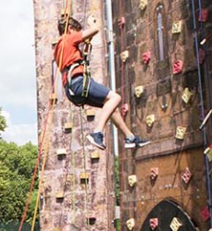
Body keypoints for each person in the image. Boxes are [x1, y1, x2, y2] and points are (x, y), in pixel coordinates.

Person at [54, 13, 149, 151]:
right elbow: (95, 30)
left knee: (111, 106)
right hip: (78, 82)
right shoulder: (67, 39)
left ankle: (130, 137)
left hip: (72, 90)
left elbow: (83, 46)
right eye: (77, 31)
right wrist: (91, 23)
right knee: (115, 97)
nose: (79, 34)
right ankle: (97, 132)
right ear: (69, 29)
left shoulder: (60, 48)